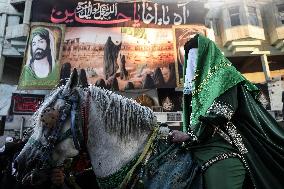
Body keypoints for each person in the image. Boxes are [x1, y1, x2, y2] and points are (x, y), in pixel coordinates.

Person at [169, 34, 284, 189]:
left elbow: (222, 112)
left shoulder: (225, 76)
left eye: (196, 55)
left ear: (207, 55)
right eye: (189, 58)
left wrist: (191, 135)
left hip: (221, 146)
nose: (191, 62)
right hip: (195, 147)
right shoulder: (194, 91)